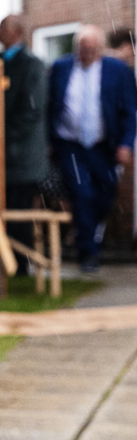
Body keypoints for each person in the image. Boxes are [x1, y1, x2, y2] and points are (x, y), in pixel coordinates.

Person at [48, 24, 137, 274]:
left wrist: (126, 144)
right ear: (76, 48)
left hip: (103, 145)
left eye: (91, 48)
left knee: (106, 193)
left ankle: (82, 232)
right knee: (82, 192)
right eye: (82, 48)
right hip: (70, 144)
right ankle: (88, 253)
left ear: (100, 49)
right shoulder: (61, 67)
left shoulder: (117, 71)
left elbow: (130, 111)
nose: (86, 52)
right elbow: (50, 104)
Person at [0, 15, 47, 267]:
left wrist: (1, 134)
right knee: (6, 209)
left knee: (20, 212)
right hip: (6, 156)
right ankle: (8, 261)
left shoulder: (31, 65)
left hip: (23, 157)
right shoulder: (0, 62)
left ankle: (20, 264)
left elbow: (31, 111)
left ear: (16, 31)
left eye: (2, 27)